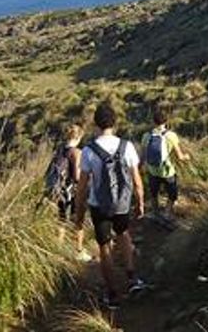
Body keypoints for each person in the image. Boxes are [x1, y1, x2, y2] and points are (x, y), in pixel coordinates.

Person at [74, 101, 146, 309]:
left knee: (104, 246)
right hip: (122, 203)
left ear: (96, 124)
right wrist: (140, 202)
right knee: (124, 235)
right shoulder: (127, 146)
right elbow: (136, 179)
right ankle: (133, 279)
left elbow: (82, 187)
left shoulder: (88, 151)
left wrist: (79, 214)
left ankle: (112, 293)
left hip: (99, 206)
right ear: (114, 122)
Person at [44, 122, 93, 262]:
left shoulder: (60, 150)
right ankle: (78, 251)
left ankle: (57, 252)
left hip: (59, 191)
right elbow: (77, 176)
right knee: (78, 221)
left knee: (61, 221)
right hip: (71, 193)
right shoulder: (76, 152)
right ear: (78, 137)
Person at [139, 103, 191, 223]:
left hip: (152, 171)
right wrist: (186, 157)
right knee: (172, 194)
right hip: (167, 171)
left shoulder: (146, 136)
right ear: (166, 121)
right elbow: (180, 157)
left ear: (153, 122)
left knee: (153, 194)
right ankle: (167, 213)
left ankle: (155, 213)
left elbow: (142, 156)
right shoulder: (171, 136)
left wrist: (140, 167)